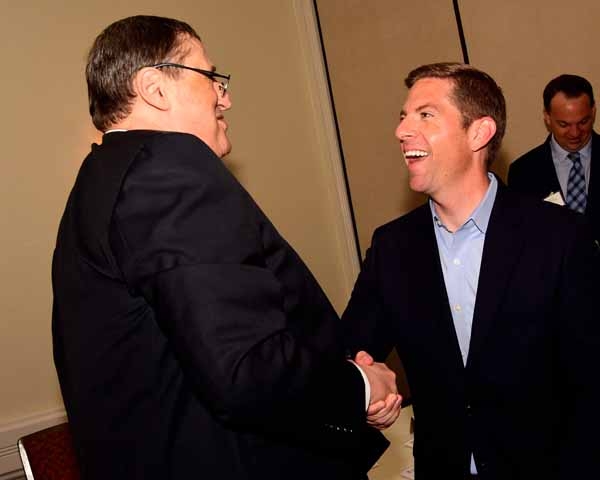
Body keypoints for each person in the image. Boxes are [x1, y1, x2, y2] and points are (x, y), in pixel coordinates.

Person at [52, 15, 401, 480]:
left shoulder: (99, 181)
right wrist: (361, 384)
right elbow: (245, 369)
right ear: (155, 89)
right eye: (210, 77)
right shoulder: (168, 170)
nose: (225, 97)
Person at [342, 62, 600, 479]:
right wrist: (368, 388)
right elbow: (351, 351)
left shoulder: (559, 235)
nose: (402, 130)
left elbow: (591, 381)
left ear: (479, 133)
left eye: (425, 114)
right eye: (403, 117)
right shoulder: (393, 247)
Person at [508, 74, 599, 242]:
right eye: (564, 124)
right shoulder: (523, 172)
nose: (575, 133)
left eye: (583, 122)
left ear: (593, 112)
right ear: (547, 118)